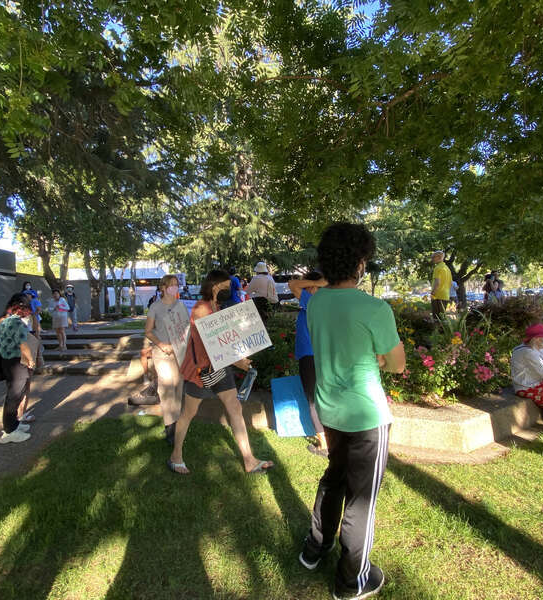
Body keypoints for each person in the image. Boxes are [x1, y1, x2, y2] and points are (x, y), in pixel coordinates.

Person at [298, 223, 406, 600]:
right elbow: (398, 364)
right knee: (361, 500)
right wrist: (380, 357)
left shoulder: (316, 301)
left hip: (331, 412)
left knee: (334, 479)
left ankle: (315, 547)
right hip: (366, 418)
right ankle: (351, 581)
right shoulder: (374, 308)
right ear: (360, 262)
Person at [169, 269, 275, 475]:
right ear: (214, 286)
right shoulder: (201, 308)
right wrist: (238, 361)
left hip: (220, 365)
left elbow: (226, 339)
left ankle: (249, 460)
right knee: (189, 412)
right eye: (225, 286)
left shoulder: (217, 306)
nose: (229, 289)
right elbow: (212, 343)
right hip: (201, 370)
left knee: (234, 407)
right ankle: (176, 456)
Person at [140, 274, 190, 444]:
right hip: (162, 354)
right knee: (166, 389)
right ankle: (170, 428)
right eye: (171, 284)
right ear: (163, 287)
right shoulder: (155, 307)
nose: (175, 287)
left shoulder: (181, 306)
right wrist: (162, 345)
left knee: (178, 388)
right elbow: (148, 331)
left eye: (176, 284)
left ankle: (176, 424)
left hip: (179, 354)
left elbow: (186, 329)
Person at [288, 270, 330, 457]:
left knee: (313, 400)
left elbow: (292, 285)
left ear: (312, 286)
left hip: (310, 356)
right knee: (325, 398)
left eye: (307, 285)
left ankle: (324, 445)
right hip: (324, 355)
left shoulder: (312, 301)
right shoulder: (327, 302)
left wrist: (318, 283)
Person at [0, 293, 37, 443]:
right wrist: (30, 360)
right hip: (16, 362)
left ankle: (13, 424)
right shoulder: (16, 323)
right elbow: (22, 344)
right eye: (26, 307)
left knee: (15, 395)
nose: (28, 311)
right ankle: (10, 431)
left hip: (7, 361)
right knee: (14, 396)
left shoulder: (5, 321)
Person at [430, 250, 451, 319]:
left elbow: (437, 282)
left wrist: (432, 293)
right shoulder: (447, 268)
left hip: (437, 296)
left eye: (433, 257)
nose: (432, 259)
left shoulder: (437, 268)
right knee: (442, 318)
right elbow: (450, 283)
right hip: (446, 296)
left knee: (436, 318)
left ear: (439, 257)